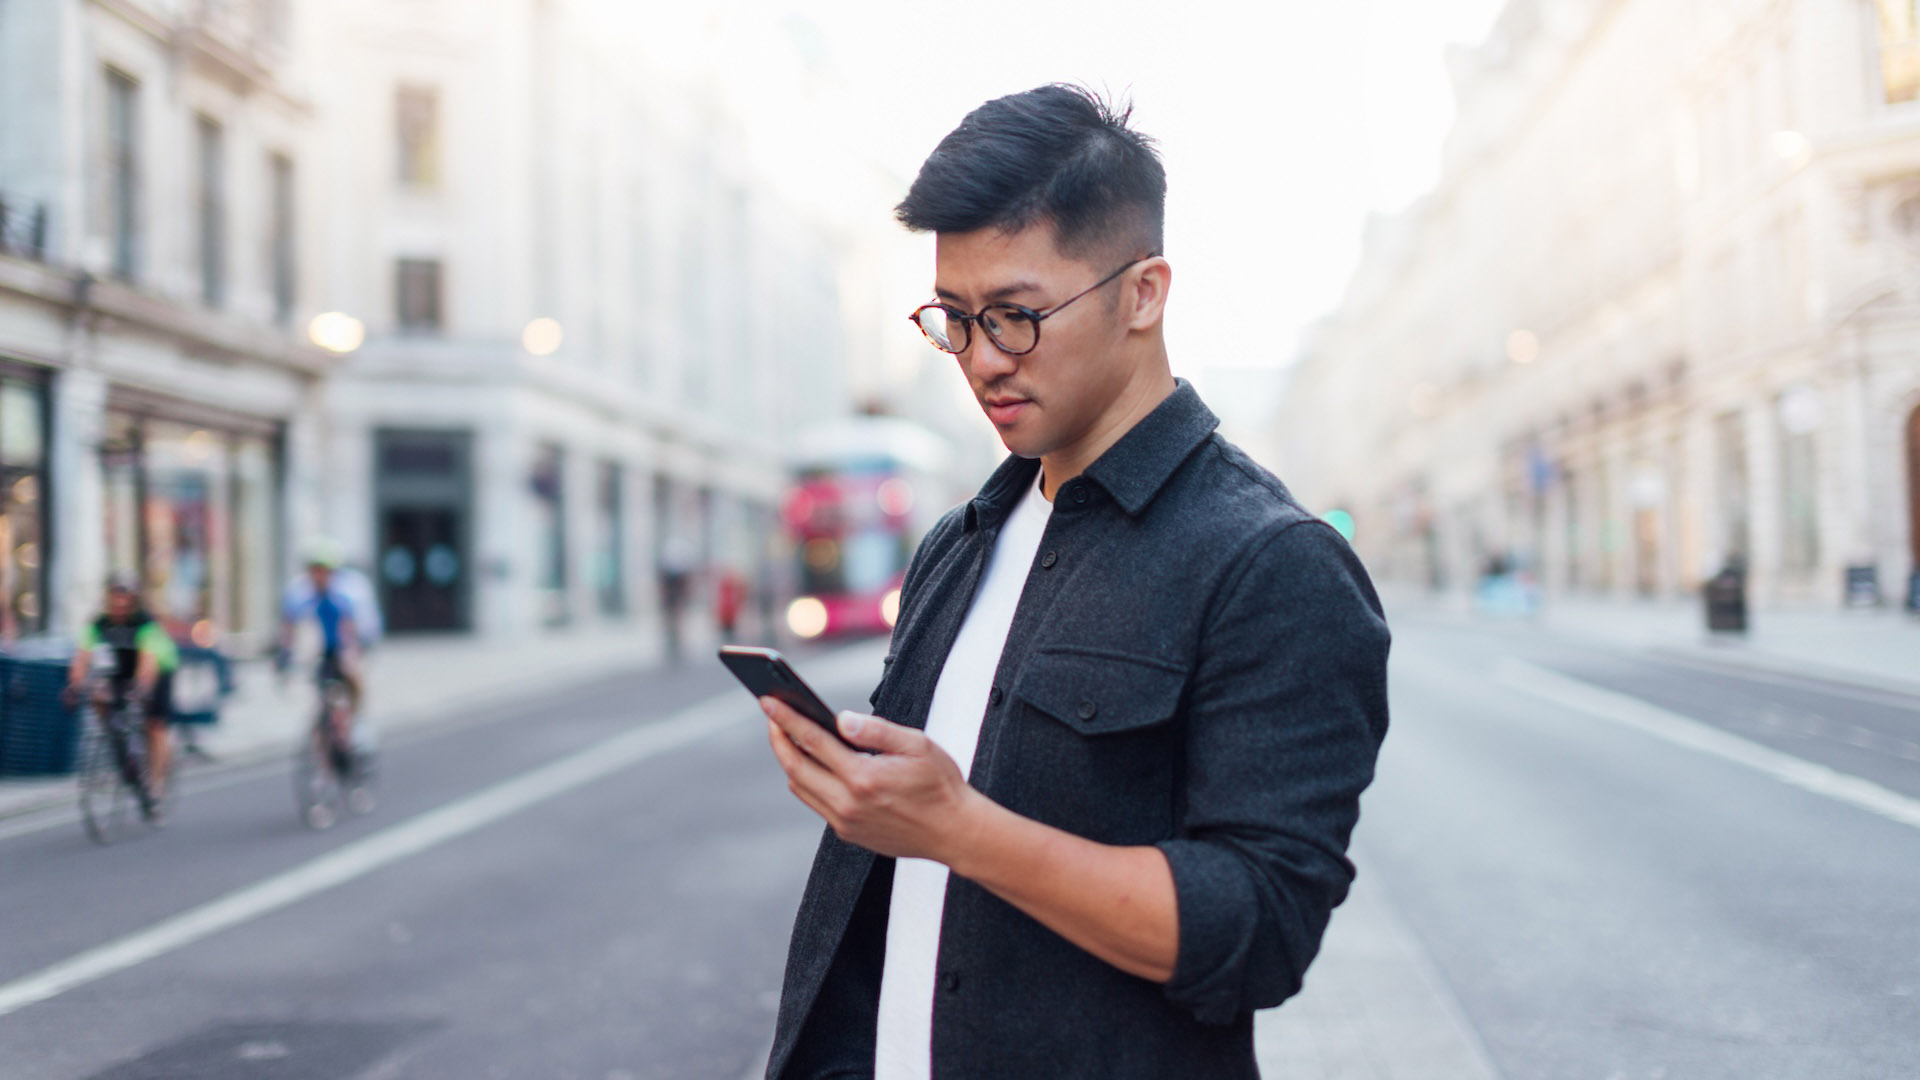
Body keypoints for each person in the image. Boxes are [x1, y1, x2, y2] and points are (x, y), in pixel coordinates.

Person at [760, 85, 1391, 1080]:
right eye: (954, 319)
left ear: (1143, 293)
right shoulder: (958, 542)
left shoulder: (1273, 563)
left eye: (1016, 316)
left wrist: (957, 829)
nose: (980, 360)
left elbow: (1260, 931)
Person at [66, 573, 179, 820]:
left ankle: (156, 787)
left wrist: (139, 689)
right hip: (122, 668)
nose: (118, 604)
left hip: (158, 668)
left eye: (124, 599)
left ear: (132, 600)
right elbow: (82, 656)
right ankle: (117, 741)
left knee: (155, 724)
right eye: (113, 598)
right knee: (99, 696)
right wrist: (74, 686)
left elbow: (148, 662)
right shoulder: (99, 623)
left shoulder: (144, 623)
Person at [278, 538, 366, 748]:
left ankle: (353, 729)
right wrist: (284, 654)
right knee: (317, 712)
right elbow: (288, 628)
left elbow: (349, 630)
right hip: (316, 657)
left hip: (338, 653)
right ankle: (323, 765)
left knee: (353, 684)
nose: (319, 576)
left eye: (323, 571)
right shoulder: (301, 598)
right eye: (314, 571)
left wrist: (351, 652)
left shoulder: (341, 599)